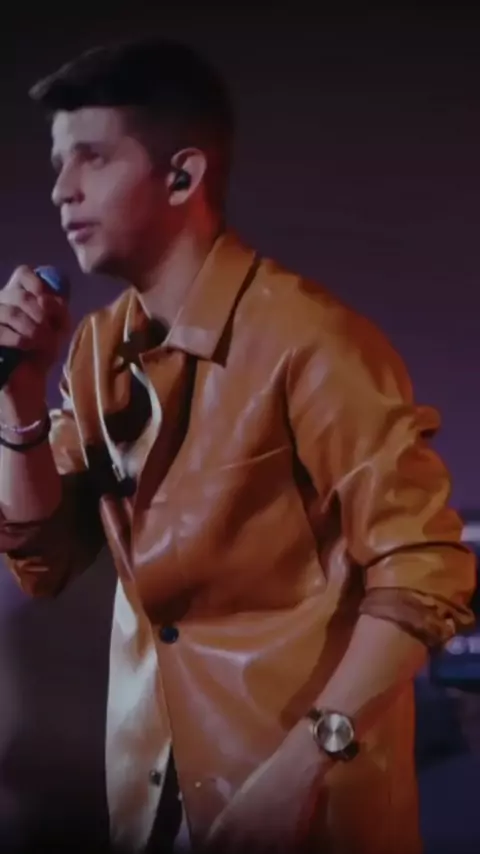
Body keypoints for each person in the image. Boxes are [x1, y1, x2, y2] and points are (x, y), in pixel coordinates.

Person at [0, 38, 475, 854]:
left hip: (304, 806)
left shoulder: (313, 341)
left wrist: (304, 764)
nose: (62, 188)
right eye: (56, 162)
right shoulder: (95, 350)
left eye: (93, 158)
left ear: (183, 176)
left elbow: (428, 569)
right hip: (152, 798)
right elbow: (43, 555)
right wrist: (19, 394)